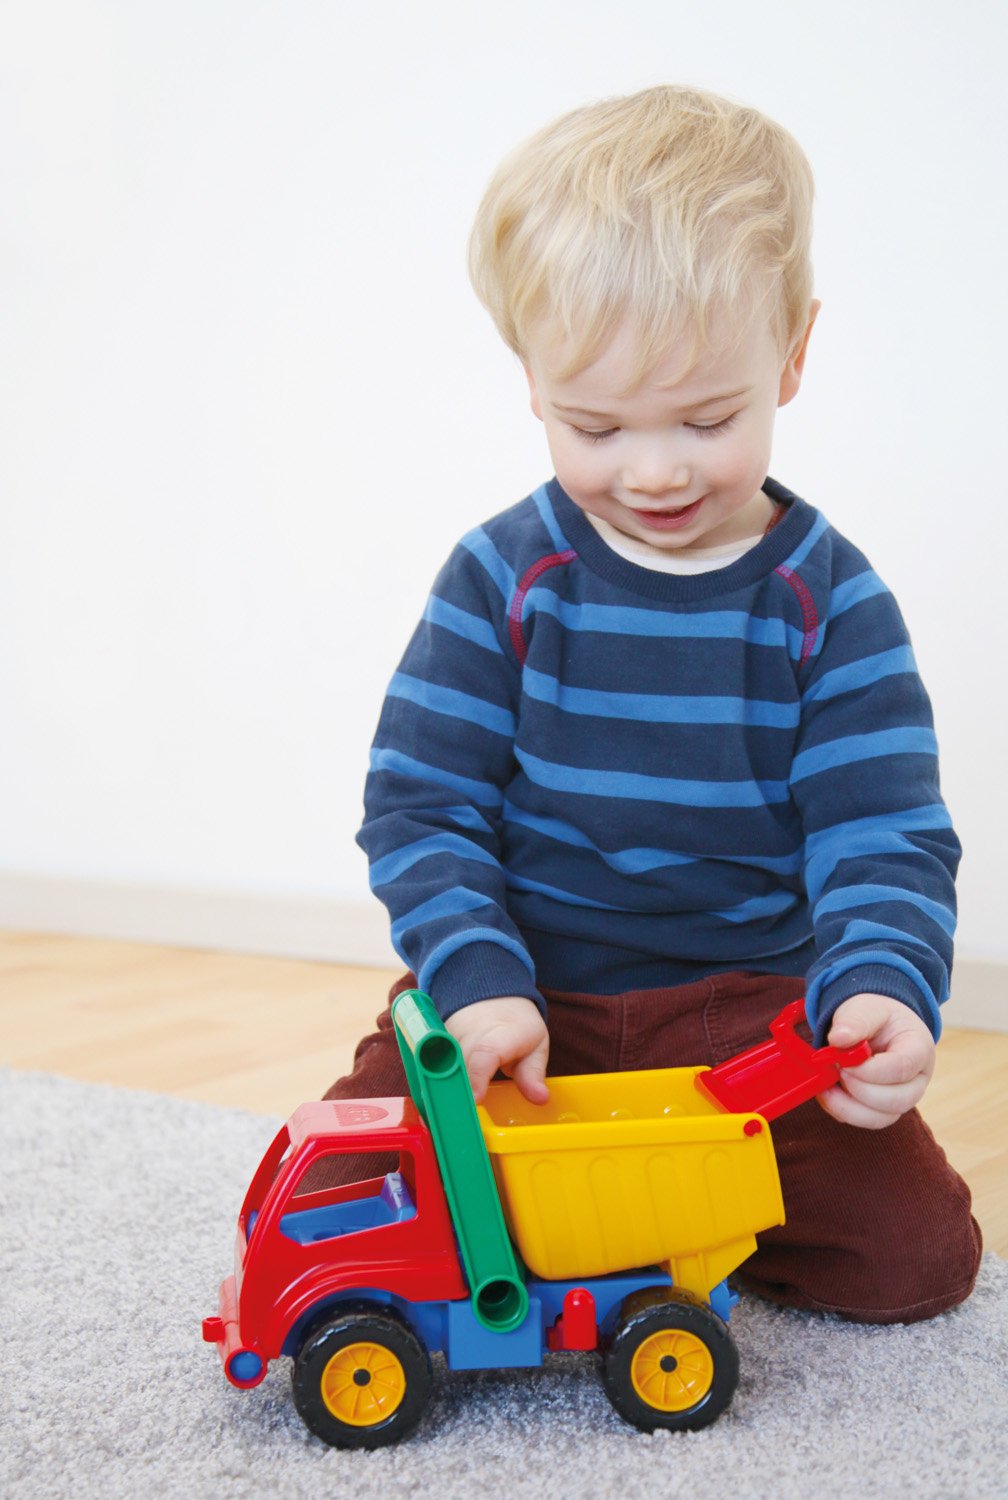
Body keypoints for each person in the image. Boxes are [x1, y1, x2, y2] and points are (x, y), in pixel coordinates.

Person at [325, 84, 981, 1323]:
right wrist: (477, 981)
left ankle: (660, 1222)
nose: (656, 469)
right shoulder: (502, 580)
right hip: (530, 1002)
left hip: (749, 1030)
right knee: (350, 1207)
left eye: (708, 417)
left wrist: (880, 984)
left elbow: (881, 831)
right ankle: (603, 1215)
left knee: (916, 1263)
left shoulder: (829, 604)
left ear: (792, 355)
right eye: (597, 426)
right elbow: (421, 805)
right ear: (533, 386)